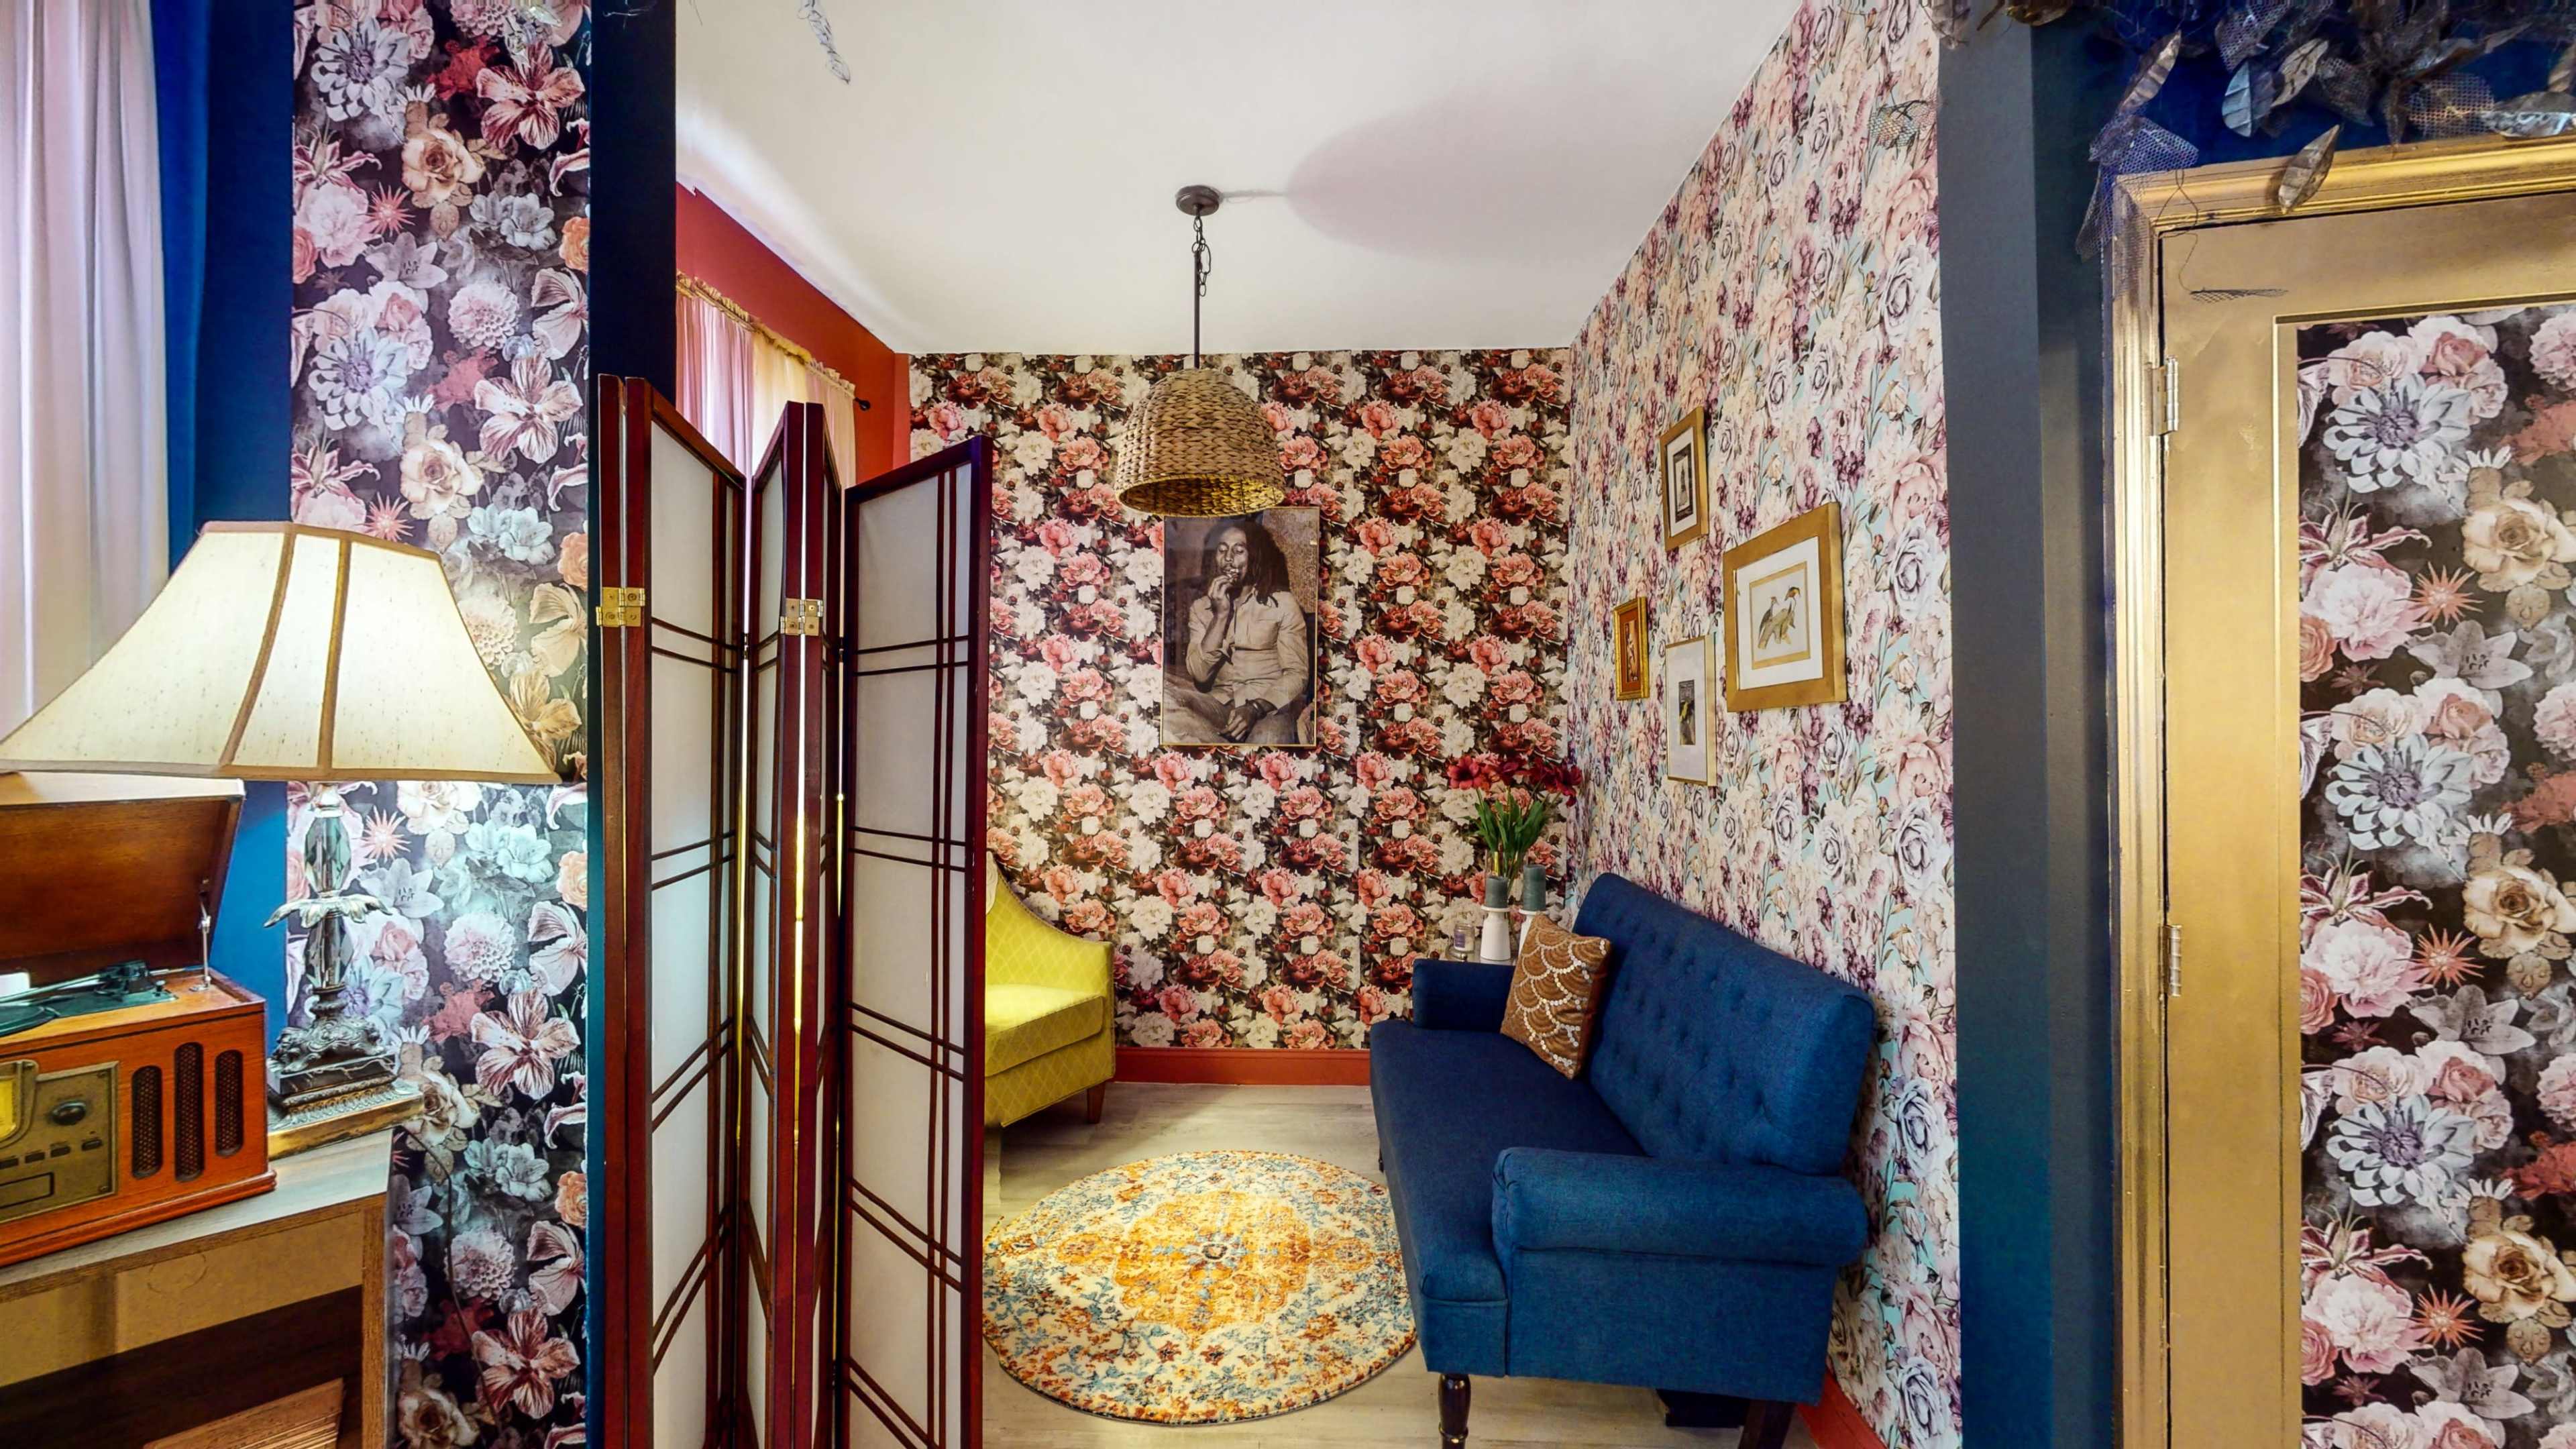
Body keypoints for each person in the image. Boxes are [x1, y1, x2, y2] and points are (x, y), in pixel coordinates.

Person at [1167, 518, 1311, 744]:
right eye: (1222, 551)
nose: (1228, 559)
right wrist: (1220, 615)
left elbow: (1297, 674)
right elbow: (1200, 674)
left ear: (1254, 557)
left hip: (1268, 707)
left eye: (1239, 551)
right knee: (1168, 708)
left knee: (1268, 739)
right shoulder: (1201, 609)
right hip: (1219, 704)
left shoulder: (1283, 604)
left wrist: (1255, 708)